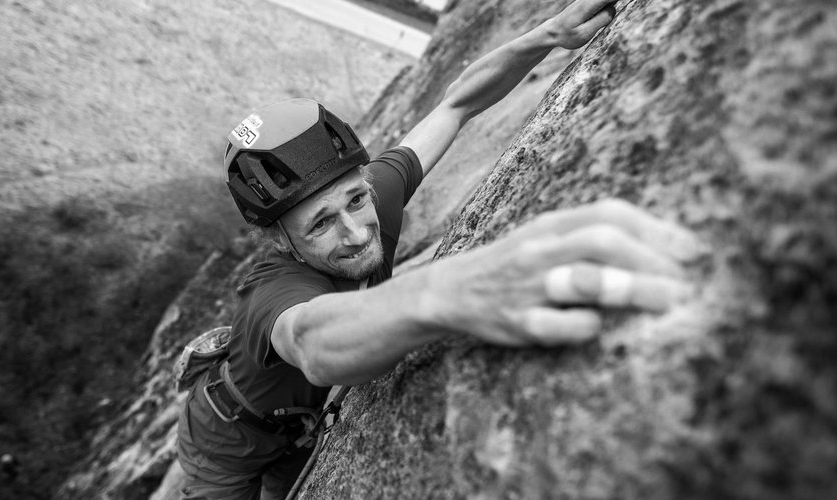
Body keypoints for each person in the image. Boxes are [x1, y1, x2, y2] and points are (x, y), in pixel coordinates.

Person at [175, 1, 701, 498]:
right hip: (225, 443)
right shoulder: (274, 290)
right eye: (321, 225)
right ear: (280, 240)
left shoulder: (377, 193)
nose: (356, 233)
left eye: (355, 200)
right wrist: (444, 291)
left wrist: (547, 36)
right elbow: (310, 341)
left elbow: (457, 103)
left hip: (298, 429)